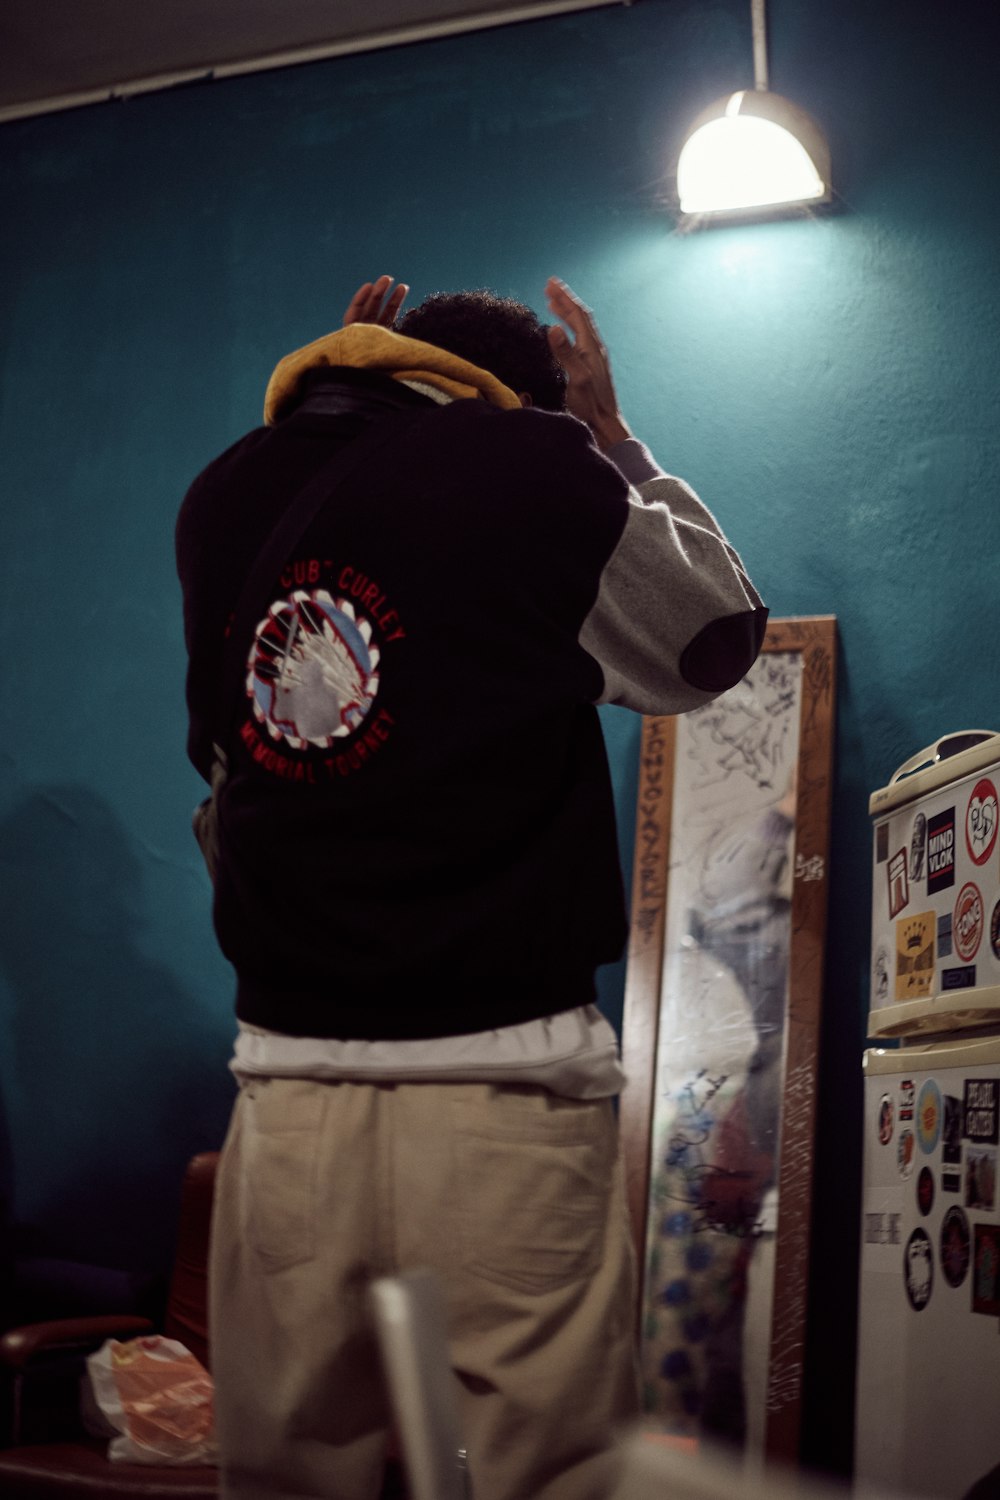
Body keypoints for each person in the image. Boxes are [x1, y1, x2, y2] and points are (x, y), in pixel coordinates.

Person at [176, 273, 767, 1500]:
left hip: (287, 1087)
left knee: (286, 1473)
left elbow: (225, 773)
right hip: (506, 1075)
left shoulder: (230, 489)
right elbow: (711, 642)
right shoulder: (538, 470)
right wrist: (610, 441)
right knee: (547, 1473)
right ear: (523, 395)